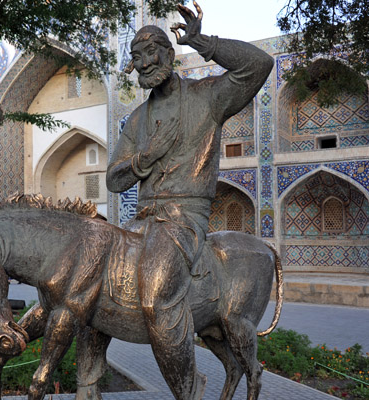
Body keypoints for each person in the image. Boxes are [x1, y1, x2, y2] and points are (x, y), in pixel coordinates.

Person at [106, 2, 274, 398]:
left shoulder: (207, 98)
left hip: (184, 220)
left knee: (155, 295)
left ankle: (188, 390)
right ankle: (88, 382)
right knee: (92, 281)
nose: (145, 62)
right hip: (141, 221)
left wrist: (203, 41)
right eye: (136, 56)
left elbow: (259, 65)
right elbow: (114, 179)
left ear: (169, 54)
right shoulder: (136, 120)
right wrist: (143, 157)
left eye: (152, 52)